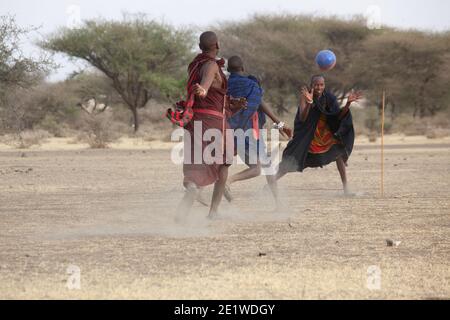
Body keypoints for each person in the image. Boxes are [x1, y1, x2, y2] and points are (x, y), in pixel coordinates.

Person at [174, 31, 246, 221]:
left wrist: (232, 104)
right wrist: (204, 90)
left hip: (195, 121)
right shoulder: (211, 65)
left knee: (196, 165)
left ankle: (184, 207)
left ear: (200, 47)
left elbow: (212, 93)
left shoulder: (194, 66)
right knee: (223, 164)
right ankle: (213, 212)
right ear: (218, 45)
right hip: (214, 123)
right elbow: (206, 84)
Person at [275, 75, 362, 196]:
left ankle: (346, 189)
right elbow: (303, 117)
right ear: (312, 85)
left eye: (321, 85)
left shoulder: (329, 98)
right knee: (291, 162)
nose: (319, 87)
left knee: (338, 152)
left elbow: (338, 117)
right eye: (316, 85)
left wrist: (347, 104)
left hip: (324, 135)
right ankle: (271, 182)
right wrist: (310, 102)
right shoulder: (305, 97)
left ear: (324, 85)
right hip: (308, 137)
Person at [223, 55, 292, 206]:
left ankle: (279, 204)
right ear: (243, 68)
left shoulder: (224, 86)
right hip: (250, 132)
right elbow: (260, 104)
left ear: (228, 70)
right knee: (259, 168)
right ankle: (227, 181)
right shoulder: (251, 86)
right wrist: (279, 125)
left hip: (228, 130)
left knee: (265, 166)